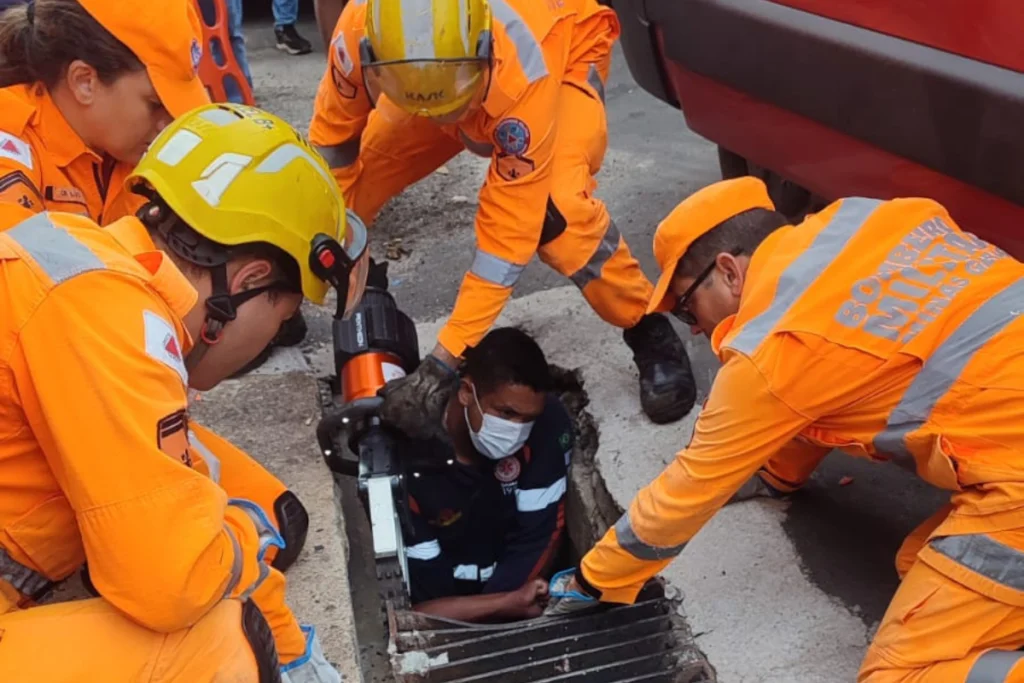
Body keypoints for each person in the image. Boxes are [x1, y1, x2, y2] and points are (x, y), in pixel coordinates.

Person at [552, 177, 1024, 682]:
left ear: (729, 271)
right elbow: (825, 384)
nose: (691, 327)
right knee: (920, 564)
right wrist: (776, 474)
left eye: (688, 306)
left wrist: (592, 579)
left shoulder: (772, 352)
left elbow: (681, 496)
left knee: (900, 675)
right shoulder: (870, 216)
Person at [0, 103, 369, 681]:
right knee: (223, 649)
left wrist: (287, 635)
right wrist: (235, 552)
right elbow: (169, 585)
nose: (273, 336)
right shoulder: (110, 318)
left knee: (257, 510)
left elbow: (189, 469)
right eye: (283, 316)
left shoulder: (87, 257)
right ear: (247, 283)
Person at [307, 0, 696, 440]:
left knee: (557, 216)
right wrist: (325, 255)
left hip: (562, 59)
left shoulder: (523, 66)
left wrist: (443, 361)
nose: (443, 123)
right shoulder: (361, 33)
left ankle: (645, 325)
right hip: (439, 81)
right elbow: (332, 146)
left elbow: (507, 237)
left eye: (451, 112)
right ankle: (284, 295)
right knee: (349, 185)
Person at [0, 0, 310, 545]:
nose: (167, 126)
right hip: (33, 419)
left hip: (95, 390)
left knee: (277, 518)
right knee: (195, 564)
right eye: (154, 104)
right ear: (84, 81)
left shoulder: (119, 157)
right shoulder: (10, 150)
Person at [400, 327, 573, 622]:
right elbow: (425, 600)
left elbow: (540, 536)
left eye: (527, 419)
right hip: (447, 595)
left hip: (509, 583)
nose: (517, 430)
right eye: (506, 414)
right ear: (467, 393)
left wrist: (502, 604)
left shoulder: (547, 425)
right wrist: (502, 605)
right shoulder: (412, 458)